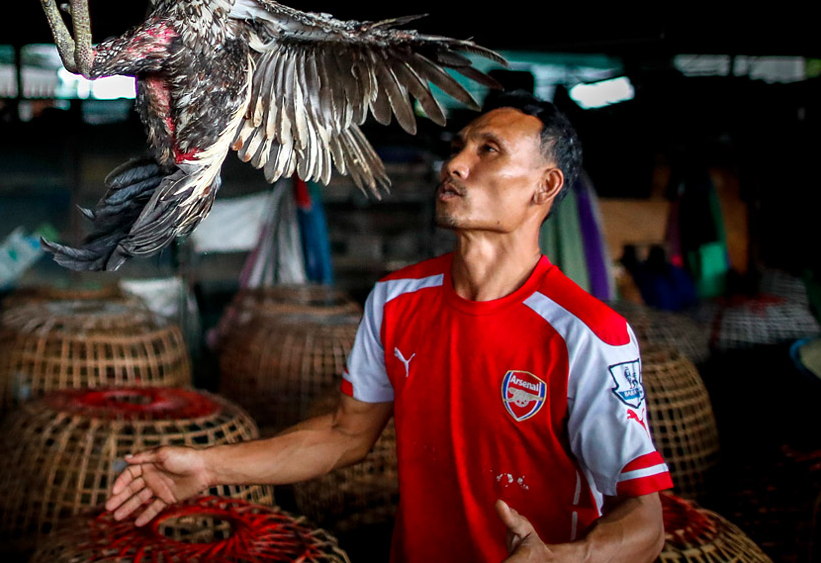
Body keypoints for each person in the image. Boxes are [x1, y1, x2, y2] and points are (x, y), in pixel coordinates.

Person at [105, 93, 672, 562]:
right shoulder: (395, 301)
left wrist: (565, 558)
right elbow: (343, 436)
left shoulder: (587, 333)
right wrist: (207, 466)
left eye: (488, 151)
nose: (455, 164)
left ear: (544, 188)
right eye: (458, 149)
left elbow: (645, 522)